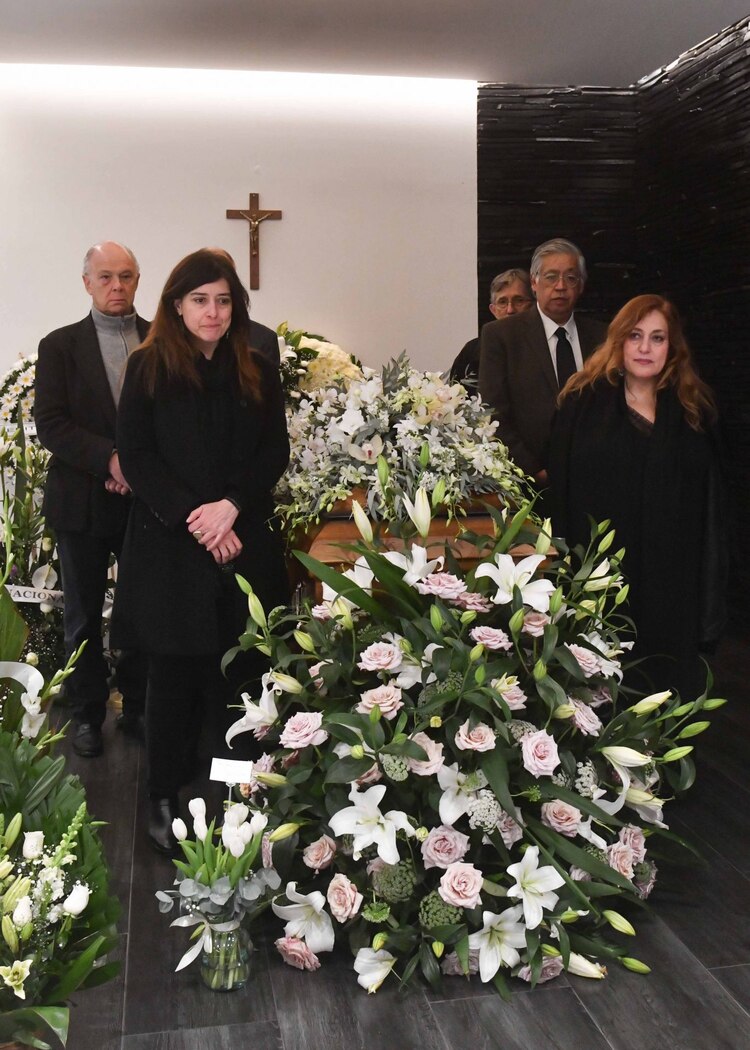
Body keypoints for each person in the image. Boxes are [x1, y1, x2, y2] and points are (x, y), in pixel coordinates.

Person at [111, 249, 290, 853]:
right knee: (174, 678)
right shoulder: (149, 367)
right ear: (176, 305)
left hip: (242, 543)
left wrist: (232, 507)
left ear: (235, 306)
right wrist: (201, 520)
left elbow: (273, 454)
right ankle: (164, 793)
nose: (212, 312)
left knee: (240, 679)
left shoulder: (259, 370)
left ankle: (231, 794)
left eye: (222, 300)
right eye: (199, 300)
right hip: (172, 549)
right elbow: (137, 457)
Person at [548, 294, 725, 698]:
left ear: (672, 347)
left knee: (665, 695)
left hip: (672, 585)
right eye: (635, 336)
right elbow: (559, 493)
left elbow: (710, 508)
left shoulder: (693, 411)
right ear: (619, 342)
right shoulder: (580, 404)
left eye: (657, 338)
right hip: (603, 581)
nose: (645, 348)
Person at [35, 241, 149, 757]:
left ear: (138, 280)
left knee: (143, 607)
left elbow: (173, 421)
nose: (116, 286)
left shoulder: (160, 341)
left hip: (148, 502)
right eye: (105, 277)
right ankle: (86, 714)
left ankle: (140, 706)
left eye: (125, 276)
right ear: (86, 283)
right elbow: (52, 425)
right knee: (81, 614)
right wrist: (110, 460)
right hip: (82, 499)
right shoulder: (58, 346)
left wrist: (136, 470)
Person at [479, 238, 607, 484]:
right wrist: (533, 470)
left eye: (570, 278)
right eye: (551, 277)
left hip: (595, 477)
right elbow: (492, 411)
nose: (560, 286)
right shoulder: (502, 335)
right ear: (534, 283)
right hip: (531, 481)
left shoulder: (603, 337)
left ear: (581, 286)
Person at [450, 269, 532, 385]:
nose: (510, 310)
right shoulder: (473, 350)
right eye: (502, 302)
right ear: (493, 310)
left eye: (519, 301)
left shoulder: (545, 346)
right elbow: (454, 393)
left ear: (533, 305)